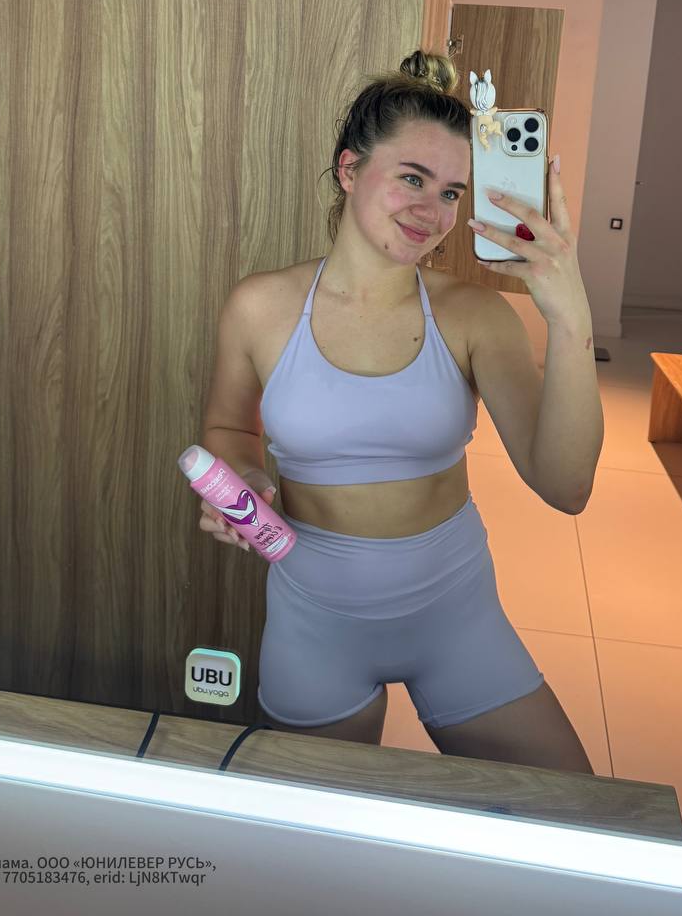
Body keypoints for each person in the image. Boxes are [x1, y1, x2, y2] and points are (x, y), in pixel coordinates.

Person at [198, 50, 603, 775]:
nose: (432, 211)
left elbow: (566, 486)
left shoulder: (476, 315)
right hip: (313, 619)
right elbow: (229, 429)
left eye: (451, 192)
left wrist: (570, 318)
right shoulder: (259, 307)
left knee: (570, 814)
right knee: (323, 839)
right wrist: (246, 478)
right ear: (350, 169)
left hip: (456, 613)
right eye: (412, 178)